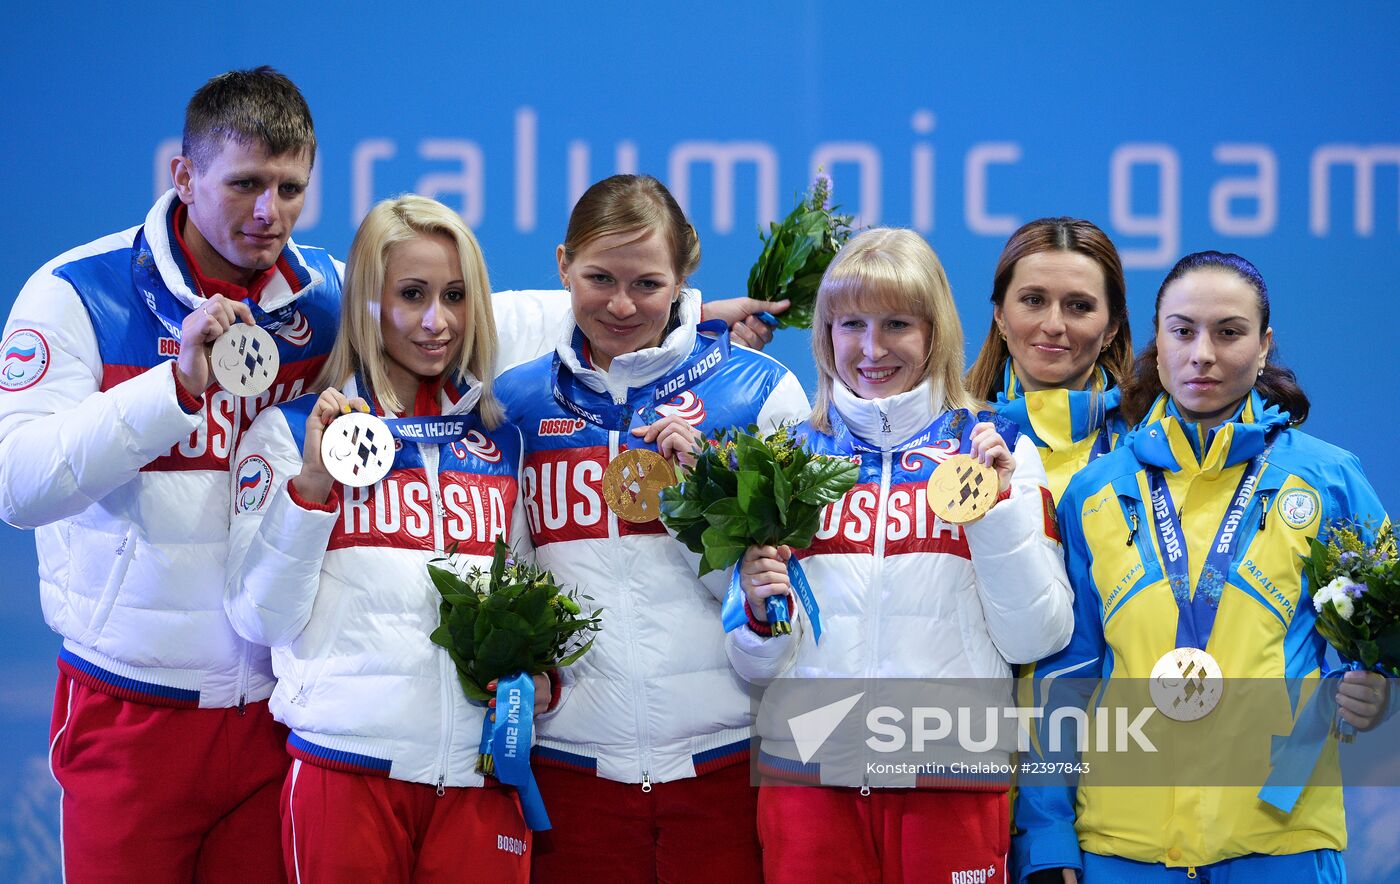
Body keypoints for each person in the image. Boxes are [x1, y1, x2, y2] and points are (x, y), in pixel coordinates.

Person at [0, 67, 337, 882]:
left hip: (273, 714)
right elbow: (19, 489)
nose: (270, 214)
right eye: (247, 184)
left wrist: (687, 313)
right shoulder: (77, 291)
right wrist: (176, 388)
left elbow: (469, 321)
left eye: (291, 188)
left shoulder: (321, 299)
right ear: (183, 176)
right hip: (130, 711)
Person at [1014, 251, 1392, 884]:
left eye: (1229, 332)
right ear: (1156, 344)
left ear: (1265, 345)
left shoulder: (1327, 479)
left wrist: (1379, 687)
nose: (1203, 354)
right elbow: (1063, 680)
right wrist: (1048, 834)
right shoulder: (1095, 491)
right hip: (1122, 848)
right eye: (1182, 331)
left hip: (1281, 838)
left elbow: (1386, 621)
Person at [729, 227, 1073, 883]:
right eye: (850, 322)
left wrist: (997, 513)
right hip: (808, 783)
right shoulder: (784, 460)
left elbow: (1037, 633)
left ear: (935, 332)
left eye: (897, 323)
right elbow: (751, 664)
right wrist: (755, 612)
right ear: (826, 333)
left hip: (951, 785)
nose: (871, 347)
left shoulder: (995, 447)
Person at [493, 173, 809, 883]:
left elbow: (800, 602)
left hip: (727, 769)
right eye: (599, 277)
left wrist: (707, 499)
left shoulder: (759, 390)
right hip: (568, 775)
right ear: (561, 266)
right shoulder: (513, 404)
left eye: (648, 283)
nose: (622, 304)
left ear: (683, 279)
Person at [224, 195, 545, 882]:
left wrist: (541, 681)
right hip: (347, 772)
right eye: (412, 295)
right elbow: (259, 618)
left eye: (455, 296)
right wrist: (312, 487)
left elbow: (525, 613)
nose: (438, 322)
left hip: (482, 775)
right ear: (367, 302)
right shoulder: (289, 433)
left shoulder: (500, 439)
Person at [966, 217, 1133, 502]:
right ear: (1000, 315)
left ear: (1111, 328)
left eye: (1079, 306)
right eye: (1033, 300)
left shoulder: (1146, 435)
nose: (1054, 325)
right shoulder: (950, 431)